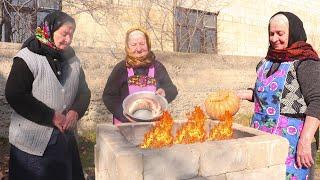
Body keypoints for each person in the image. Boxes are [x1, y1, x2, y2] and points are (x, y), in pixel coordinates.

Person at [5, 11, 91, 180]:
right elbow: (15, 94)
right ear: (49, 30)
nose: (68, 39)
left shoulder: (73, 60)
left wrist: (76, 111)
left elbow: (84, 92)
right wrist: (50, 116)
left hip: (64, 142)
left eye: (71, 34)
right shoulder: (27, 58)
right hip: (31, 144)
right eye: (64, 34)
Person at [237, 12, 320, 179]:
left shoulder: (305, 62)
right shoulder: (266, 63)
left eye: (280, 34)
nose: (274, 39)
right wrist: (240, 95)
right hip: (262, 139)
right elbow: (268, 95)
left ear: (293, 33)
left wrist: (305, 141)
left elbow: (317, 101)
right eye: (271, 33)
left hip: (293, 142)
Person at [103, 28, 178, 125]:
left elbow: (172, 89)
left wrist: (165, 92)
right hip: (126, 125)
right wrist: (123, 114)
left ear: (148, 44)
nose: (138, 49)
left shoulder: (157, 67)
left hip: (153, 124)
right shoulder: (121, 69)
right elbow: (109, 96)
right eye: (133, 45)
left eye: (142, 44)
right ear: (128, 47)